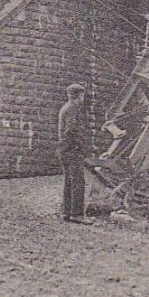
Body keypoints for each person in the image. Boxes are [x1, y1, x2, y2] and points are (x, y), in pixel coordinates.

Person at [58, 83, 93, 224]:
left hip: (63, 149)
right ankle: (77, 214)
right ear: (79, 96)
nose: (83, 98)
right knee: (78, 181)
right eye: (82, 95)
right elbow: (71, 130)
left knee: (69, 181)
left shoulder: (65, 108)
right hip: (72, 150)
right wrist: (82, 145)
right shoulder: (72, 109)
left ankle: (67, 212)